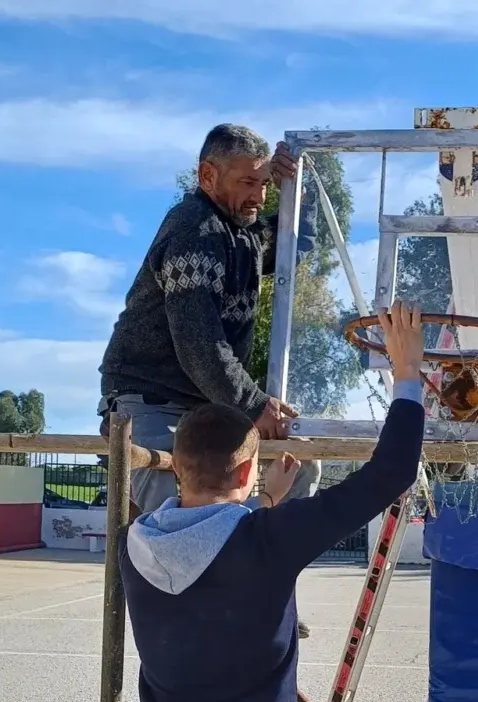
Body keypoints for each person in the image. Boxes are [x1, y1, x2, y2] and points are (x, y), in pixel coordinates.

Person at [121, 300, 426, 702]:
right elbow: (390, 474)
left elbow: (210, 542)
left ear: (177, 470)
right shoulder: (269, 539)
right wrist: (407, 373)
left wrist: (265, 503)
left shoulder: (136, 544)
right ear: (246, 474)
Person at [100, 122, 322, 633]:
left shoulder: (241, 235)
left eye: (264, 183)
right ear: (207, 175)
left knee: (300, 467)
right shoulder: (192, 230)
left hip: (205, 402)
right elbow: (199, 343)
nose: (258, 195)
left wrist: (297, 191)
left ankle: (262, 588)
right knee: (180, 501)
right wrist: (254, 404)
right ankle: (195, 619)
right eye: (248, 182)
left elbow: (297, 243)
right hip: (150, 398)